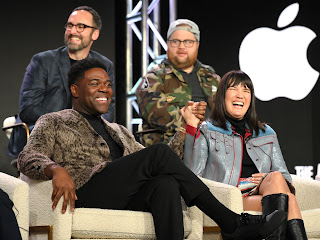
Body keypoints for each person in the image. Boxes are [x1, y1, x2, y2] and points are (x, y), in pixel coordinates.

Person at [17, 59, 286, 240]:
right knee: (157, 157)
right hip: (84, 191)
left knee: (166, 183)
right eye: (95, 84)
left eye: (108, 85)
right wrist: (56, 169)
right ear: (75, 90)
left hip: (121, 195)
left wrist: (186, 128)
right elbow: (28, 156)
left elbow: (159, 160)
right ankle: (231, 222)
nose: (105, 90)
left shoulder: (117, 131)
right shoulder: (54, 120)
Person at [183, 70, 307, 239]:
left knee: (278, 179)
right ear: (222, 96)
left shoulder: (267, 133)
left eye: (246, 90)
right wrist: (191, 127)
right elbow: (192, 175)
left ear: (251, 99)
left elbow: (285, 176)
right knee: (289, 202)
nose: (240, 95)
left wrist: (266, 178)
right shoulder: (207, 130)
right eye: (233, 89)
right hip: (228, 198)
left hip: (262, 194)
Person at [8, 6, 115, 158]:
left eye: (81, 27)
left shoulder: (104, 65)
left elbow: (108, 108)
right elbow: (28, 109)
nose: (73, 31)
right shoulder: (43, 61)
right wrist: (68, 126)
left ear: (95, 34)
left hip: (87, 136)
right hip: (46, 134)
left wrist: (87, 127)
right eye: (70, 26)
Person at [136, 19, 220, 147]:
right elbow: (156, 114)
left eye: (188, 42)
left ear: (197, 44)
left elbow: (224, 114)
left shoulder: (211, 77)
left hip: (211, 149)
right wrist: (192, 121)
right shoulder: (155, 77)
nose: (181, 46)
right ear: (168, 44)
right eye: (176, 41)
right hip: (170, 151)